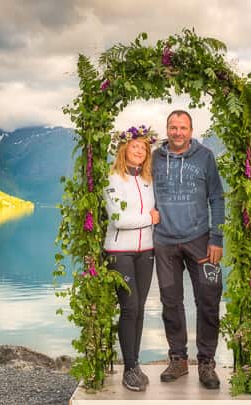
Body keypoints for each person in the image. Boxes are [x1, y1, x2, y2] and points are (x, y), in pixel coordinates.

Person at [151, 110, 225, 390]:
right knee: (170, 302)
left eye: (183, 127)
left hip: (200, 240)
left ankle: (206, 363)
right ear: (167, 129)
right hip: (164, 241)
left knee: (209, 299)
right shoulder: (156, 157)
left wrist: (216, 238)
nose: (178, 132)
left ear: (191, 131)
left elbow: (217, 197)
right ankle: (178, 360)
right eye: (173, 127)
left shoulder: (205, 156)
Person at [103, 125, 160, 392]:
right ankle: (128, 370)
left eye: (144, 148)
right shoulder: (113, 179)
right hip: (120, 251)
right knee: (129, 308)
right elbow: (118, 220)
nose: (139, 150)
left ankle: (134, 363)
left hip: (146, 251)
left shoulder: (148, 180)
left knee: (139, 310)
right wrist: (149, 218)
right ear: (125, 149)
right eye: (135, 146)